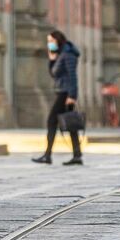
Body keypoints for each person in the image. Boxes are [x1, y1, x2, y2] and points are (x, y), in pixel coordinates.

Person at [34, 28, 83, 165]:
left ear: (58, 40)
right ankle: (76, 155)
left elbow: (72, 76)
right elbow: (54, 73)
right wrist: (52, 59)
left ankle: (47, 155)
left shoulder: (68, 54)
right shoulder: (61, 54)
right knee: (70, 123)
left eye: (51, 41)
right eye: (48, 41)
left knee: (52, 121)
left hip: (66, 93)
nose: (49, 44)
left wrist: (72, 95)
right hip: (62, 91)